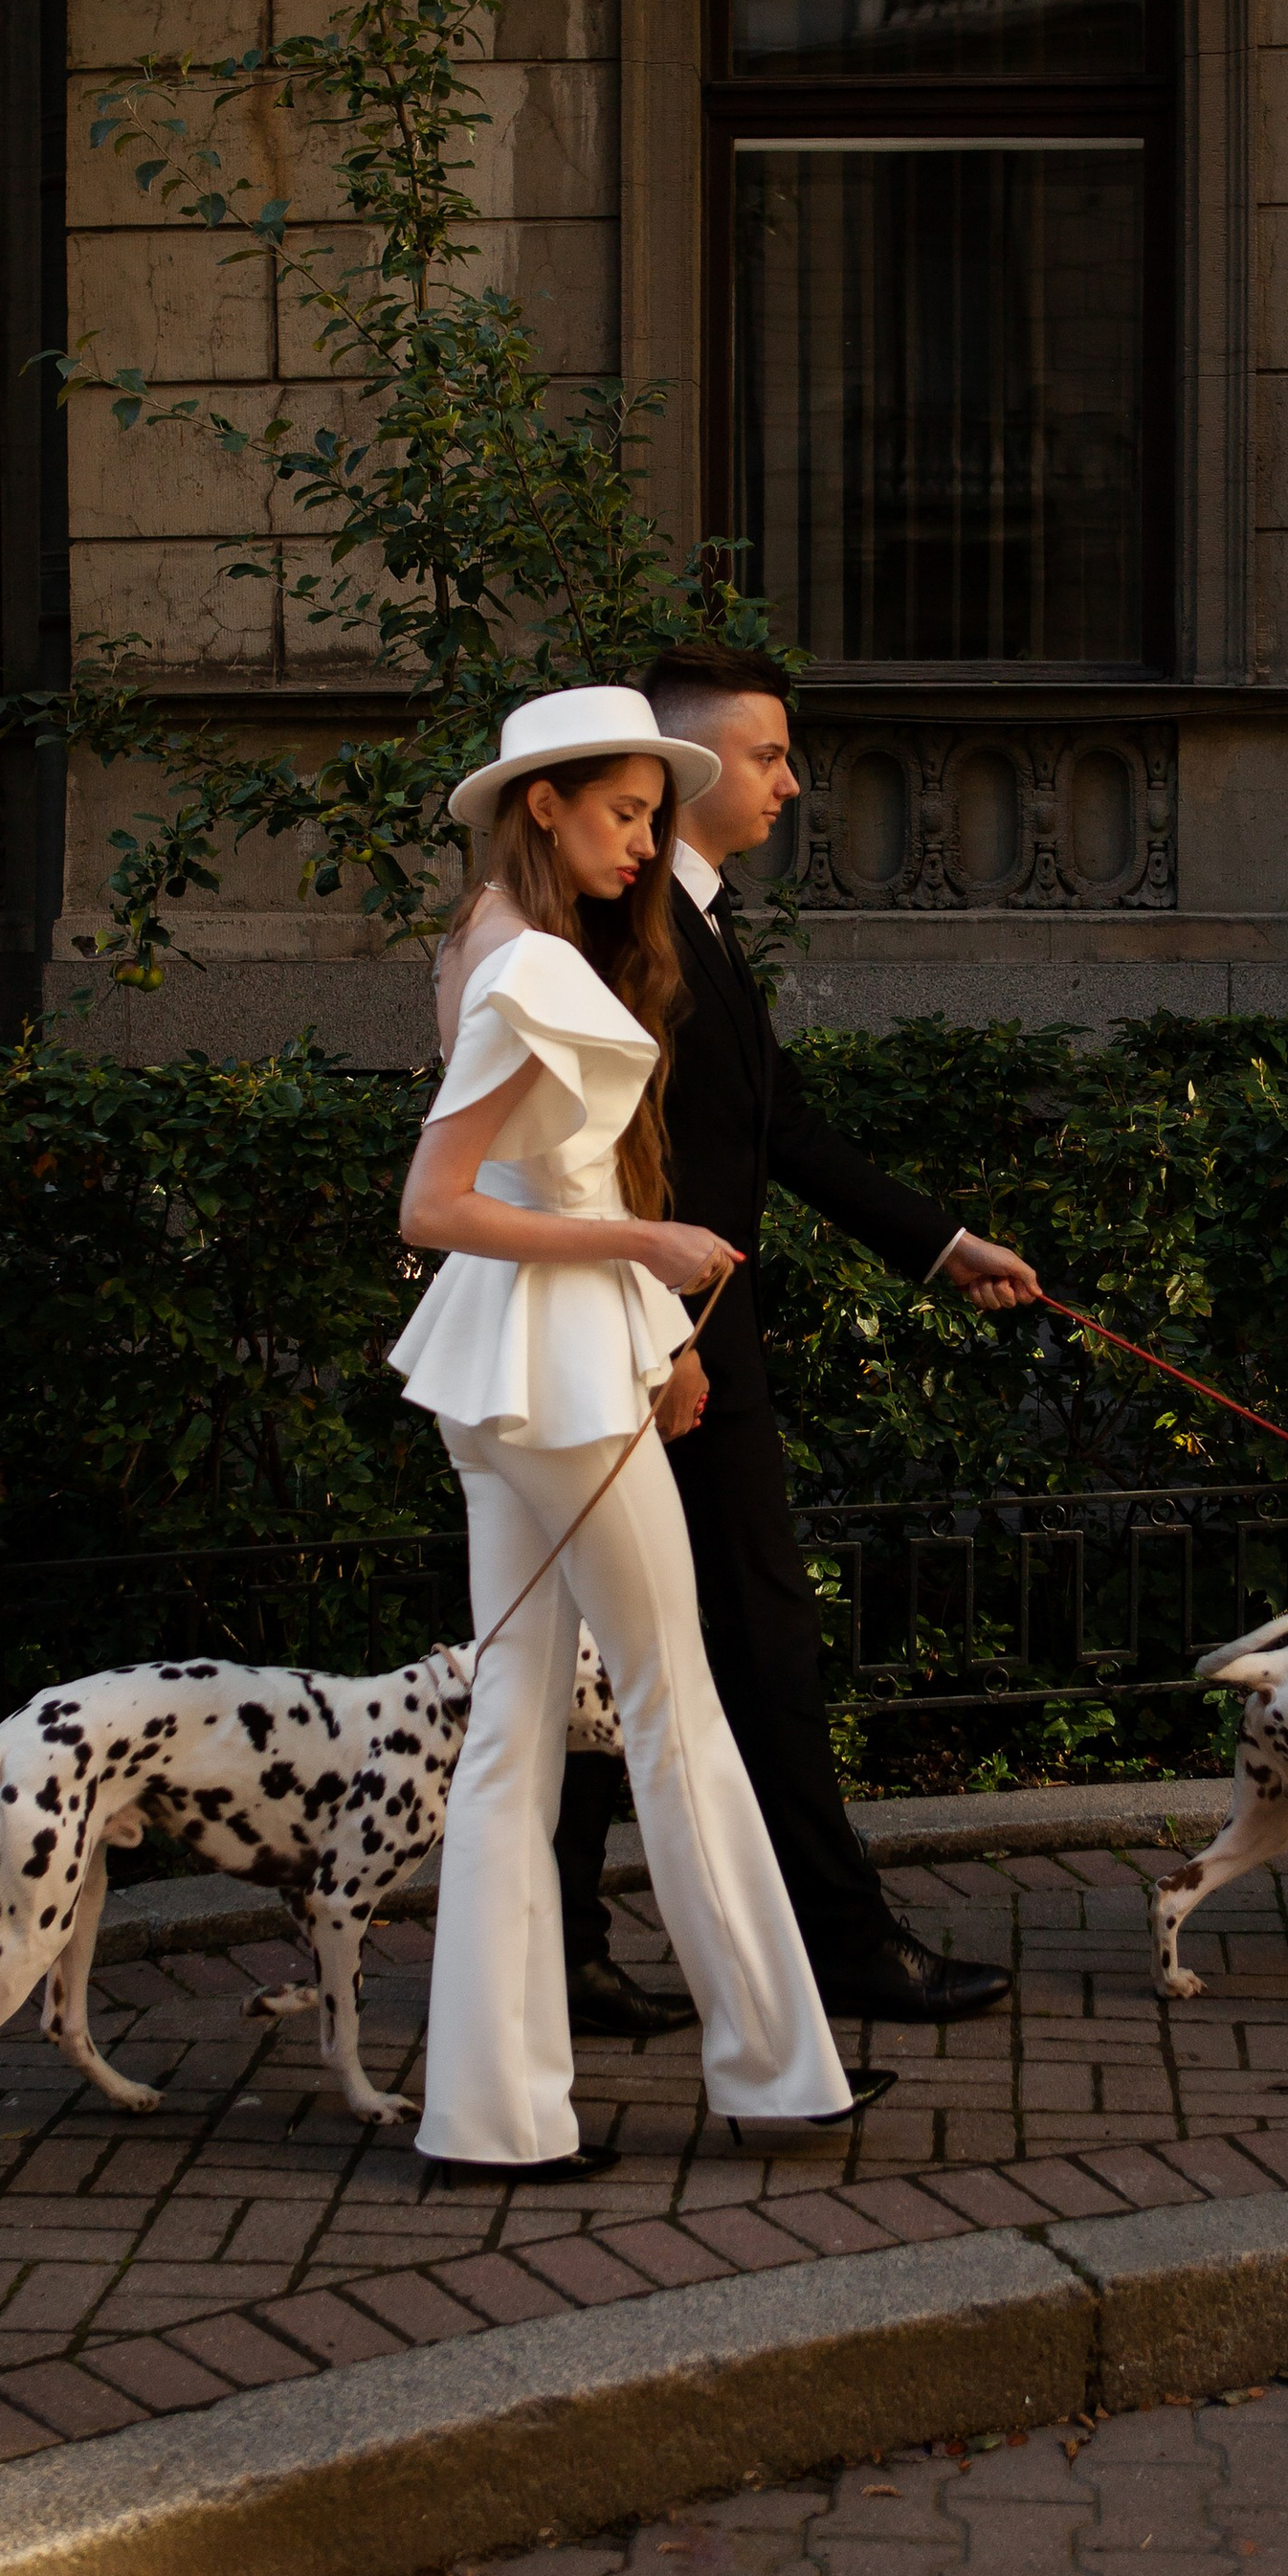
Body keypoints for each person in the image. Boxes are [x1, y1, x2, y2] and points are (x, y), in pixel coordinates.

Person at [389, 683, 889, 2181]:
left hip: (514, 1374)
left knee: (514, 1733)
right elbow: (438, 1205)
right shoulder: (534, 965)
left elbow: (528, 1190)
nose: (643, 842)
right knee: (673, 1707)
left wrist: (652, 1325)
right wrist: (650, 1259)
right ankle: (778, 2072)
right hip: (557, 1378)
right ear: (541, 804)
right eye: (622, 812)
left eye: (653, 817)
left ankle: (492, 2116)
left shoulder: (484, 941)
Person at [554, 641, 1044, 2041]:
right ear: (688, 762)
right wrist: (666, 1340)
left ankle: (568, 1951)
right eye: (767, 755)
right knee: (750, 1638)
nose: (790, 783)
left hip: (690, 1344)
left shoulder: (690, 918)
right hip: (666, 1354)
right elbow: (601, 1159)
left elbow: (776, 1128)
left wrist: (941, 1244)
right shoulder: (622, 925)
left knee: (607, 1651)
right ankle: (838, 1948)